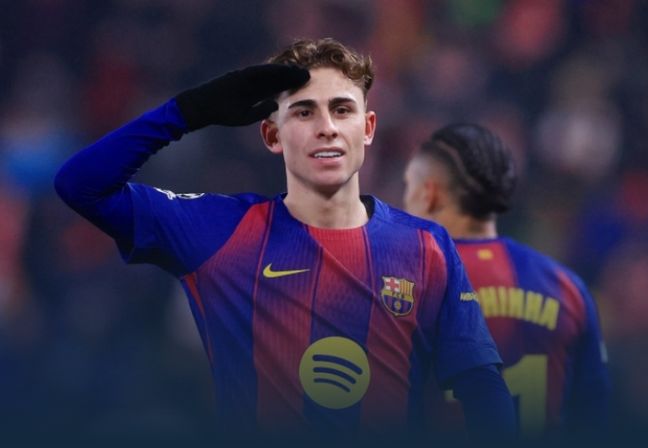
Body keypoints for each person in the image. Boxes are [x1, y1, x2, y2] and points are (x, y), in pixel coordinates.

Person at [54, 38, 514, 440]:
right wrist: (188, 112)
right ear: (272, 135)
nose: (326, 126)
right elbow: (81, 185)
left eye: (342, 109)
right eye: (304, 111)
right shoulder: (218, 231)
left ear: (368, 128)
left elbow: (481, 388)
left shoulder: (426, 246)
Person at [403, 123, 610, 440]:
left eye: (408, 185)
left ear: (429, 193)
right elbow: (596, 419)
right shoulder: (567, 287)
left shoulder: (407, 285)